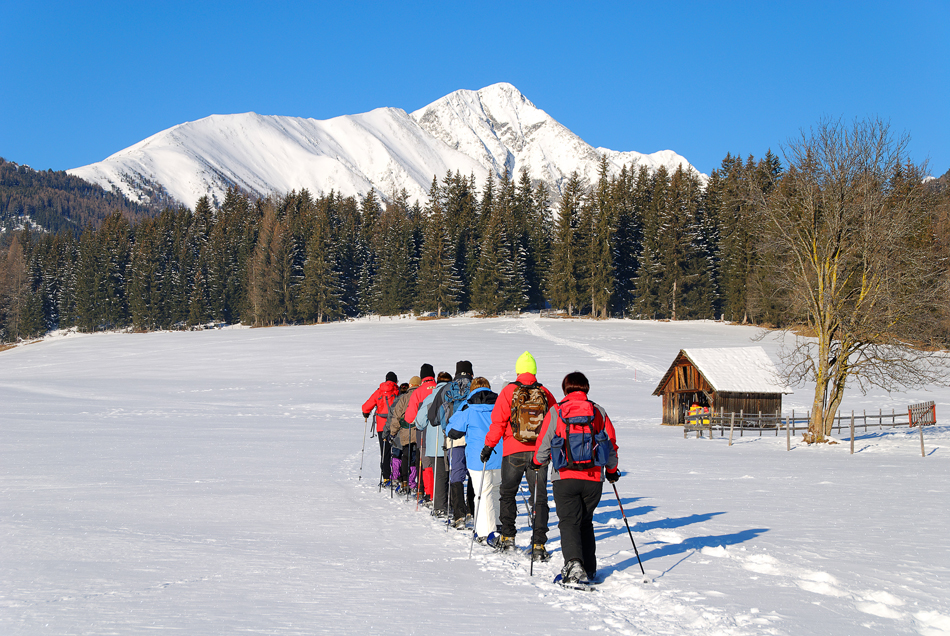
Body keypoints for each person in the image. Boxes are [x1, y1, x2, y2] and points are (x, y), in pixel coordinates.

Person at [533, 371, 619, 585]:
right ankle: (588, 569)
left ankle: (573, 566)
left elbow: (544, 443)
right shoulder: (598, 411)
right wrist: (611, 470)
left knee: (569, 522)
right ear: (586, 388)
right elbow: (610, 444)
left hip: (565, 477)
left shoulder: (557, 411)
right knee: (585, 521)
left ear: (566, 389)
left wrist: (537, 462)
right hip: (593, 478)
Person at [481, 351, 557, 559]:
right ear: (534, 371)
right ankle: (539, 544)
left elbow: (498, 422)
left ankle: (508, 538)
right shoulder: (546, 393)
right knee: (539, 498)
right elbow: (554, 422)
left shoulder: (508, 391)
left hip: (513, 451)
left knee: (508, 494)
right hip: (539, 454)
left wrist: (488, 446)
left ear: (518, 370)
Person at [446, 377, 500, 542]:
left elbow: (452, 430)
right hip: (500, 455)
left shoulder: (468, 407)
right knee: (496, 492)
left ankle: (485, 532)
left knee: (483, 494)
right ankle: (498, 527)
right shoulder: (499, 406)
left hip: (479, 459)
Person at [429, 360, 475, 526]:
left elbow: (433, 417)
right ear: (471, 373)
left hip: (453, 436)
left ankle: (459, 515)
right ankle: (472, 510)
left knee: (456, 474)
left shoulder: (446, 389)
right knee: (473, 473)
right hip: (474, 435)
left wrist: (445, 425)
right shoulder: (475, 387)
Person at [361, 371, 400, 487]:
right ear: (395, 381)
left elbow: (366, 407)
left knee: (385, 452)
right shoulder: (396, 391)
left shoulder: (379, 392)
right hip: (395, 425)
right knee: (398, 451)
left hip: (381, 427)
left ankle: (386, 478)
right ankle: (397, 477)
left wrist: (366, 414)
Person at [387, 376, 422, 492]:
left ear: (411, 385)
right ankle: (413, 482)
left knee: (405, 455)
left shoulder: (403, 398)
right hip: (418, 432)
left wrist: (392, 432)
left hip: (406, 432)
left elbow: (396, 415)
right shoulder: (422, 395)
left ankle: (404, 482)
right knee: (415, 458)